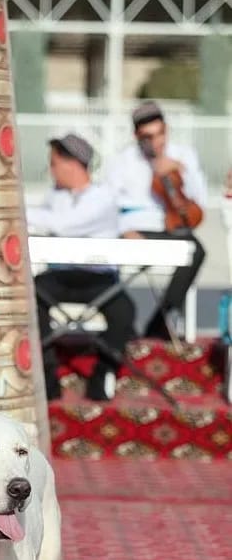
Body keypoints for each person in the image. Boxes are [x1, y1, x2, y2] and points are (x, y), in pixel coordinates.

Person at [27, 133, 136, 401]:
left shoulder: (102, 197)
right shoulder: (56, 196)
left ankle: (103, 374)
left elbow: (65, 224)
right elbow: (47, 220)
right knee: (30, 299)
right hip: (61, 276)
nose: (51, 171)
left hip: (97, 279)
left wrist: (18, 210)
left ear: (71, 163)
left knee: (124, 310)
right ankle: (48, 374)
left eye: (53, 163)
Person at [107, 100, 207, 339]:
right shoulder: (122, 162)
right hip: (136, 229)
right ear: (136, 136)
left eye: (160, 133)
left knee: (197, 250)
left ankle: (161, 321)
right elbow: (108, 205)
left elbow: (199, 201)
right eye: (148, 136)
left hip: (170, 227)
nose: (156, 142)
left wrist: (182, 171)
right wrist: (125, 229)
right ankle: (119, 326)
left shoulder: (183, 155)